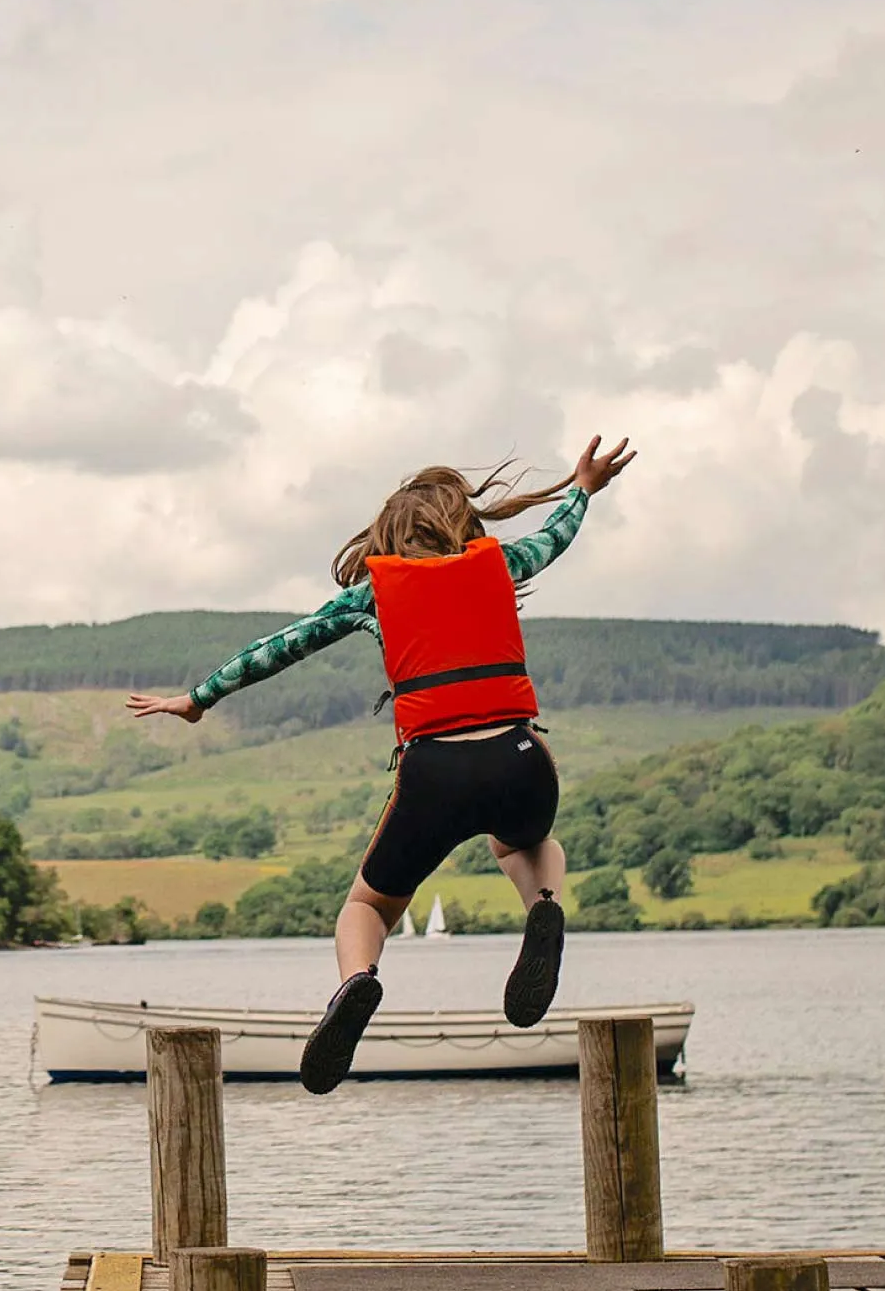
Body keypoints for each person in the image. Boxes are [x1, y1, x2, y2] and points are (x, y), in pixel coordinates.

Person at [129, 435, 635, 1092]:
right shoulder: (501, 563)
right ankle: (541, 904)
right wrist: (583, 489)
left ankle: (357, 984)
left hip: (434, 774)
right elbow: (556, 535)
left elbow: (280, 646)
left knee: (367, 905)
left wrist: (199, 699)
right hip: (519, 758)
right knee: (526, 845)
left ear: (386, 538)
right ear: (464, 523)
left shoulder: (372, 593)